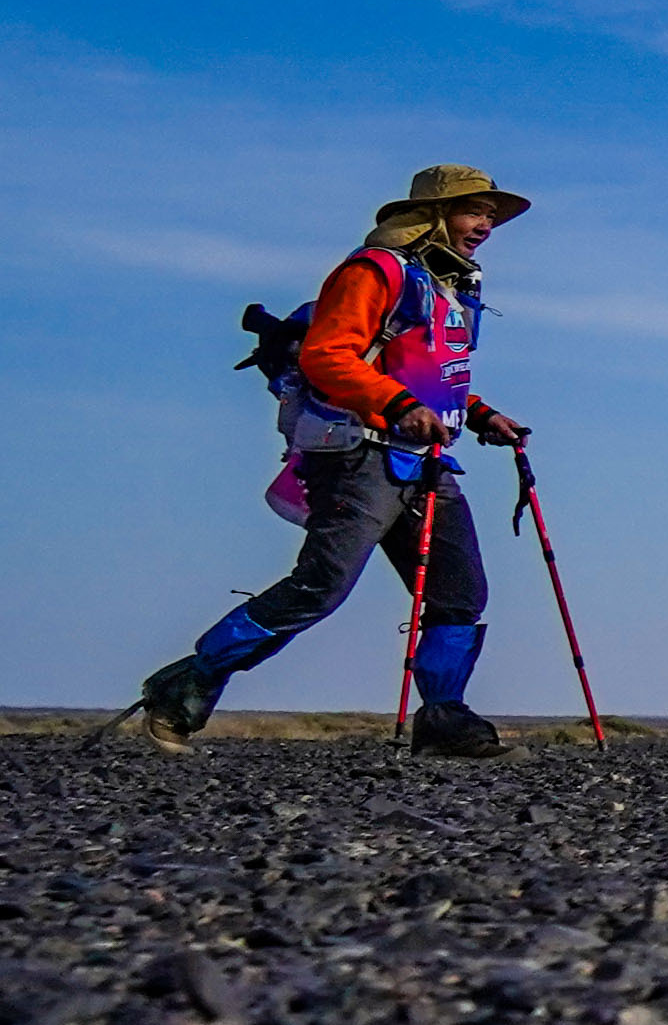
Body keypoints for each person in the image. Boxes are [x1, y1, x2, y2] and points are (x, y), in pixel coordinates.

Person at [138, 162, 537, 756]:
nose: (486, 224)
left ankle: (444, 719)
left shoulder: (450, 288)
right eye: (474, 210)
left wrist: (480, 416)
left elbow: (428, 376)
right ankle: (187, 684)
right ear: (432, 213)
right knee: (320, 586)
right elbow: (328, 356)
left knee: (459, 593)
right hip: (358, 454)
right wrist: (397, 404)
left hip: (424, 463)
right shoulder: (373, 272)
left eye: (490, 215)